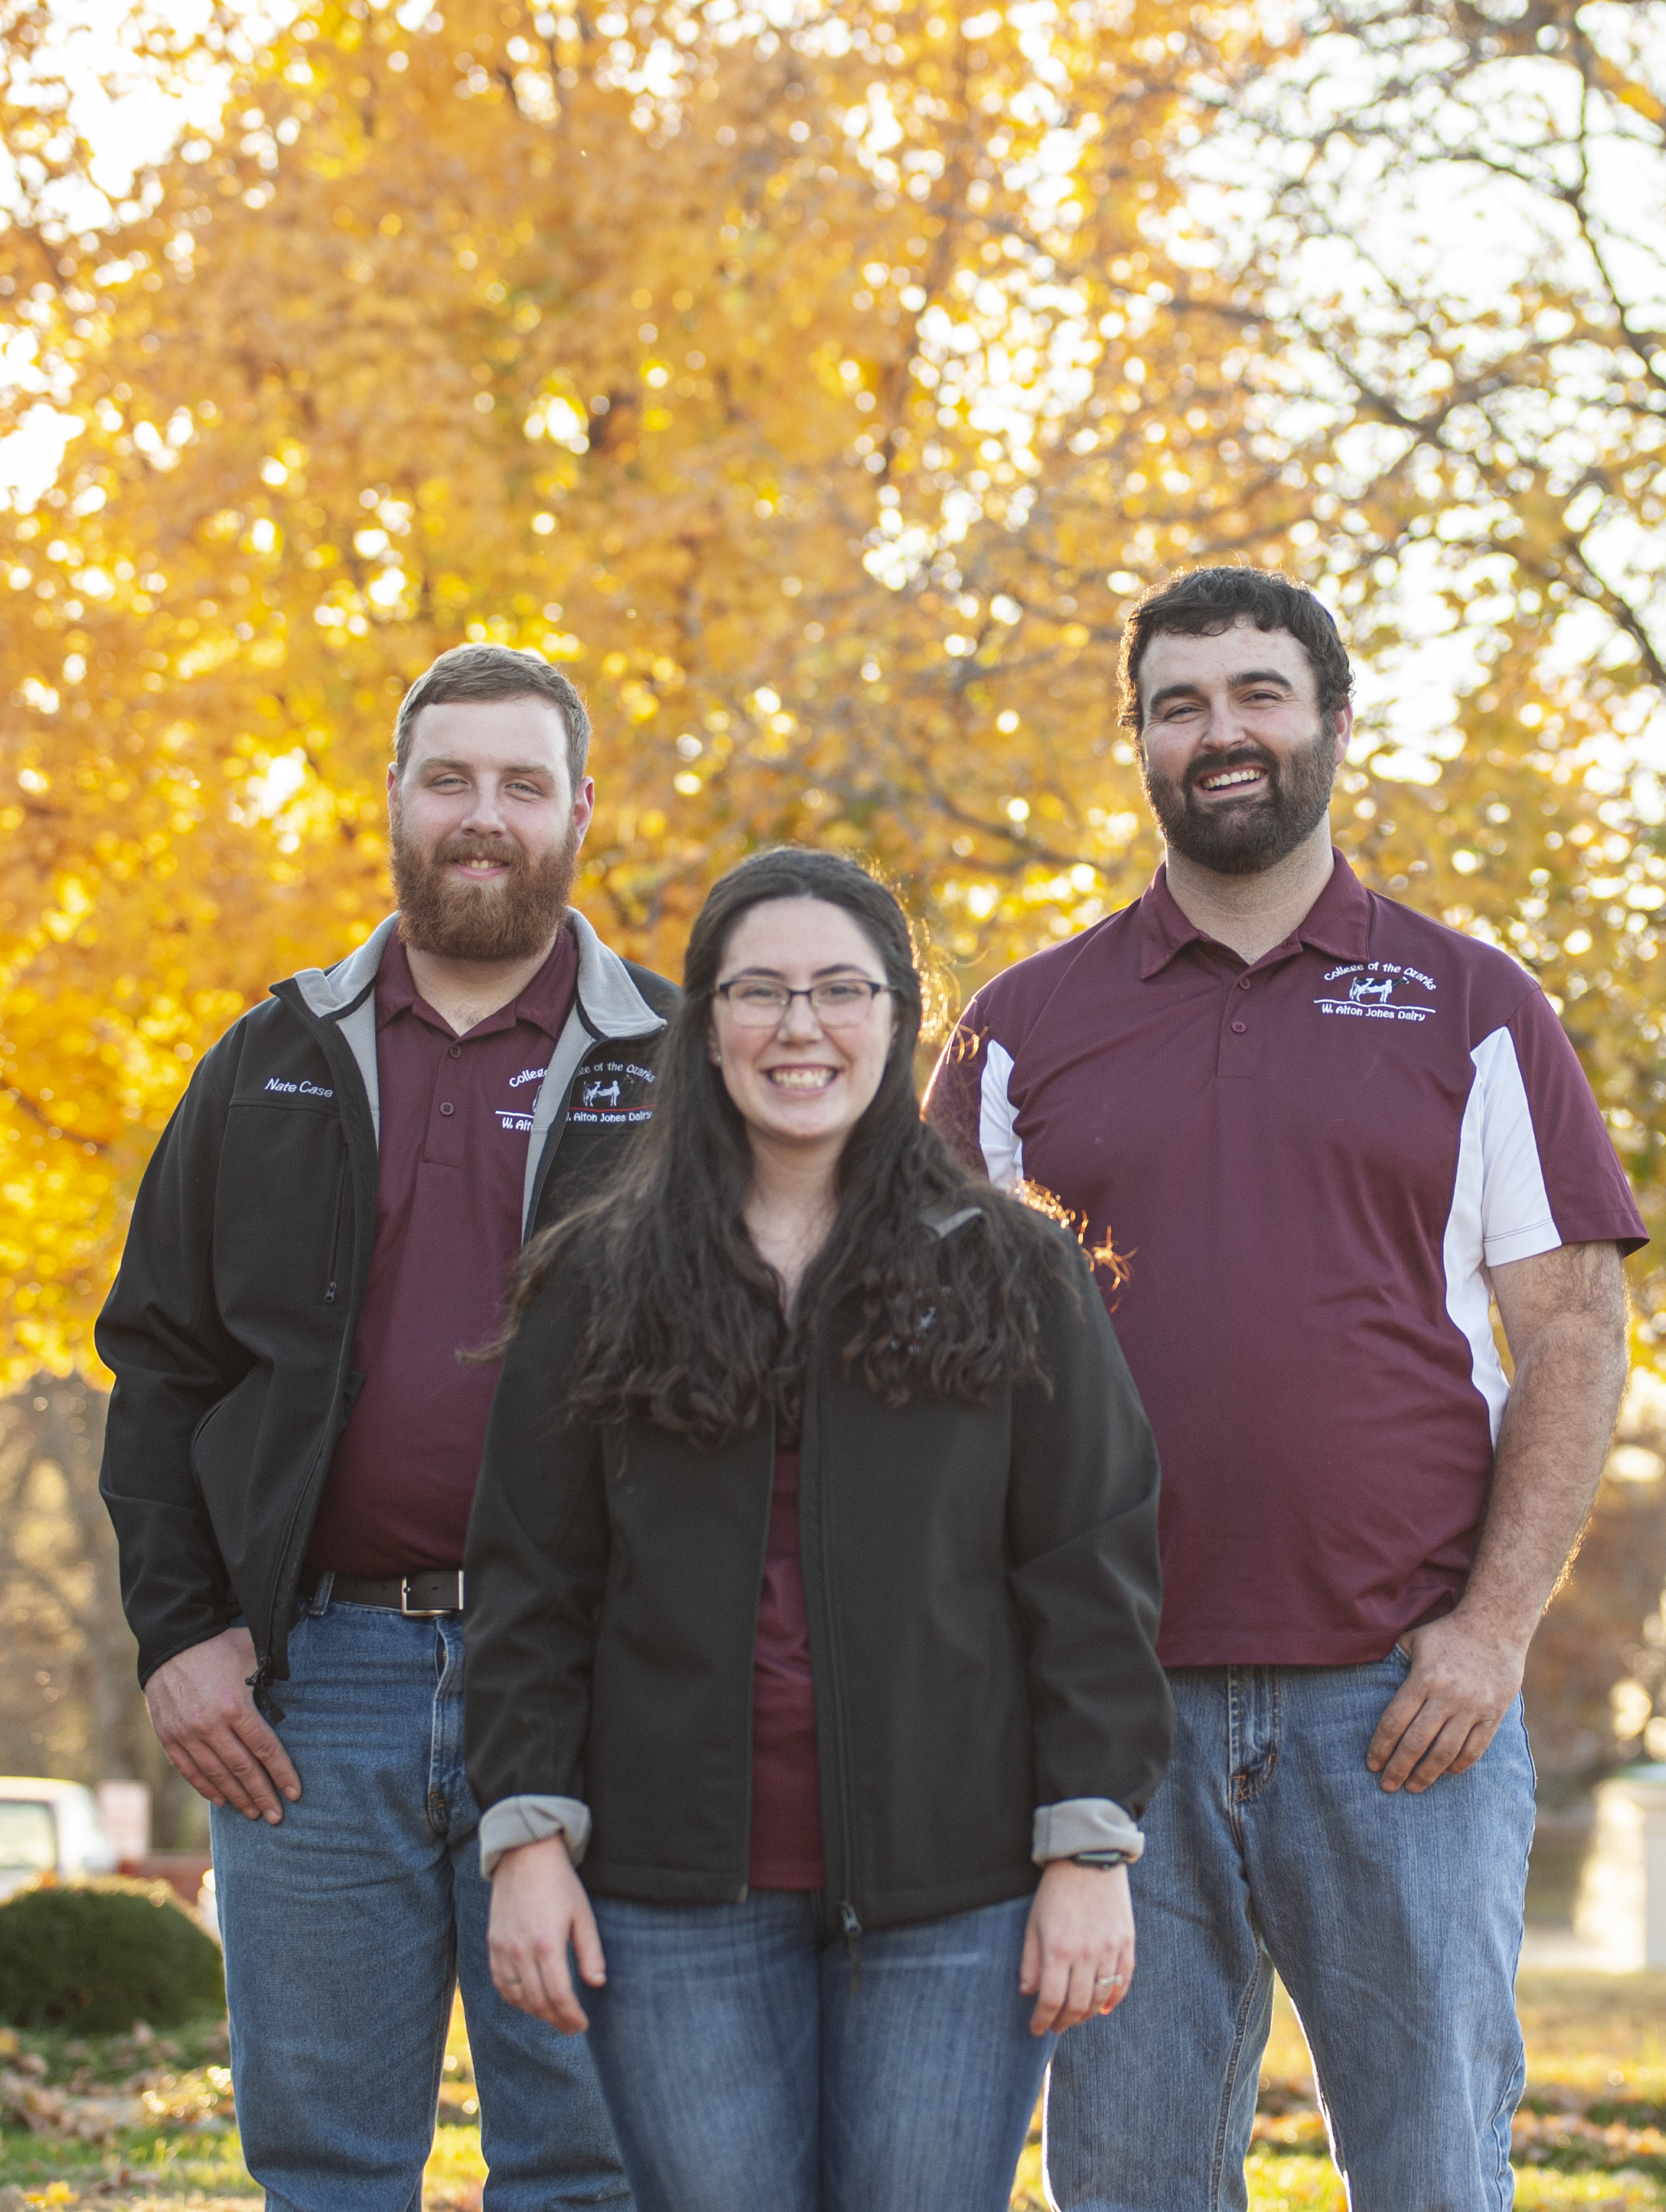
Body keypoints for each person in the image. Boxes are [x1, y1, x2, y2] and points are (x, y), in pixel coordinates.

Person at [927, 567, 1645, 2210]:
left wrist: (1493, 1629)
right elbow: (923, 1365)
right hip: (1110, 1719)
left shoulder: (1473, 1006)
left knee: (1426, 2177)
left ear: (1332, 719)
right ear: (1138, 743)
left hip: (1399, 1708)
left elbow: (1578, 1328)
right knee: (1129, 2182)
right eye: (1178, 704)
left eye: (1257, 693)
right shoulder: (1024, 1028)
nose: (1219, 732)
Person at [468, 845, 1175, 2212]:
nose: (803, 1027)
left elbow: (1092, 1566)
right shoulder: (598, 1278)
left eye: (843, 990)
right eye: (761, 992)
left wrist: (1086, 1851)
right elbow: (533, 1584)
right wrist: (529, 1839)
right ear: (707, 1029)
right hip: (671, 1899)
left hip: (956, 1893)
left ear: (899, 1021)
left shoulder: (1013, 1266)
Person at [95, 644, 665, 2212]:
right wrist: (179, 1632)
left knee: (591, 2162)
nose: (485, 816)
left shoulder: (682, 1065)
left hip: (592, 1690)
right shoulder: (268, 1058)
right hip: (308, 1695)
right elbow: (159, 1363)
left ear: (579, 813)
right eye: (452, 779)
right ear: (396, 801)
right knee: (329, 2166)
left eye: (523, 785)